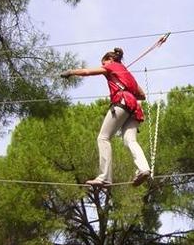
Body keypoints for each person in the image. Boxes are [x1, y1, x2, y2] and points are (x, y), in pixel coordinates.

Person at [60, 47, 151, 187]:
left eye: (104, 63)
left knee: (103, 138)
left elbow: (87, 72)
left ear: (109, 59)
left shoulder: (110, 66)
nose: (103, 66)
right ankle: (144, 168)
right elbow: (142, 95)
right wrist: (125, 83)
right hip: (134, 107)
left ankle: (104, 177)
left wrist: (71, 72)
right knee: (130, 140)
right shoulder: (127, 72)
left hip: (122, 102)